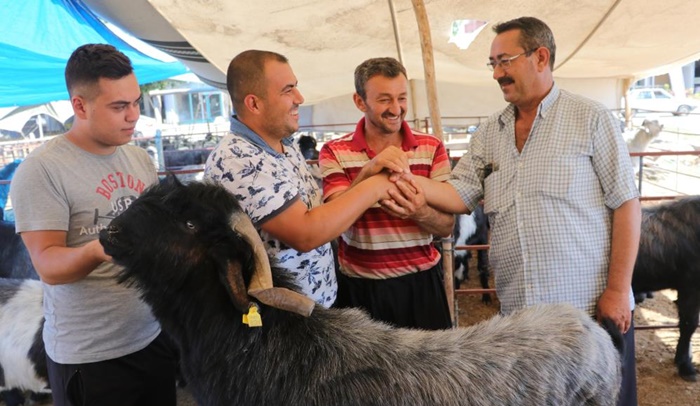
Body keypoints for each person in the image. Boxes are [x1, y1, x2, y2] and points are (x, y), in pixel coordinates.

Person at [404, 17, 641, 405]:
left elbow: (626, 204)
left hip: (588, 312)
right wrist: (405, 179)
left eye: (505, 61)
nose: (497, 73)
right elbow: (458, 194)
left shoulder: (590, 117)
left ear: (541, 57)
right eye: (492, 64)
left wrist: (617, 291)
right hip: (524, 323)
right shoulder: (490, 133)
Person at [10, 44, 177, 405]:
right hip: (90, 356)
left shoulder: (139, 159)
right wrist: (98, 249)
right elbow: (48, 265)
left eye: (136, 102)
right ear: (80, 106)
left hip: (152, 337)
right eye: (119, 107)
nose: (133, 116)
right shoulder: (42, 171)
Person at [203, 50, 398, 308]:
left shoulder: (282, 144)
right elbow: (305, 234)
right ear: (254, 104)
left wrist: (366, 174)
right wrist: (377, 185)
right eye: (288, 90)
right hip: (278, 323)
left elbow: (317, 214)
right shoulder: (238, 159)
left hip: (311, 310)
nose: (300, 98)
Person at [319, 57, 455, 330]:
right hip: (361, 290)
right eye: (384, 100)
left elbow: (447, 226)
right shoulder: (334, 151)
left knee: (429, 371)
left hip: (421, 285)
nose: (396, 109)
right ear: (360, 102)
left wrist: (420, 211)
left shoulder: (432, 147)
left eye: (401, 98)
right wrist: (368, 172)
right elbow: (333, 224)